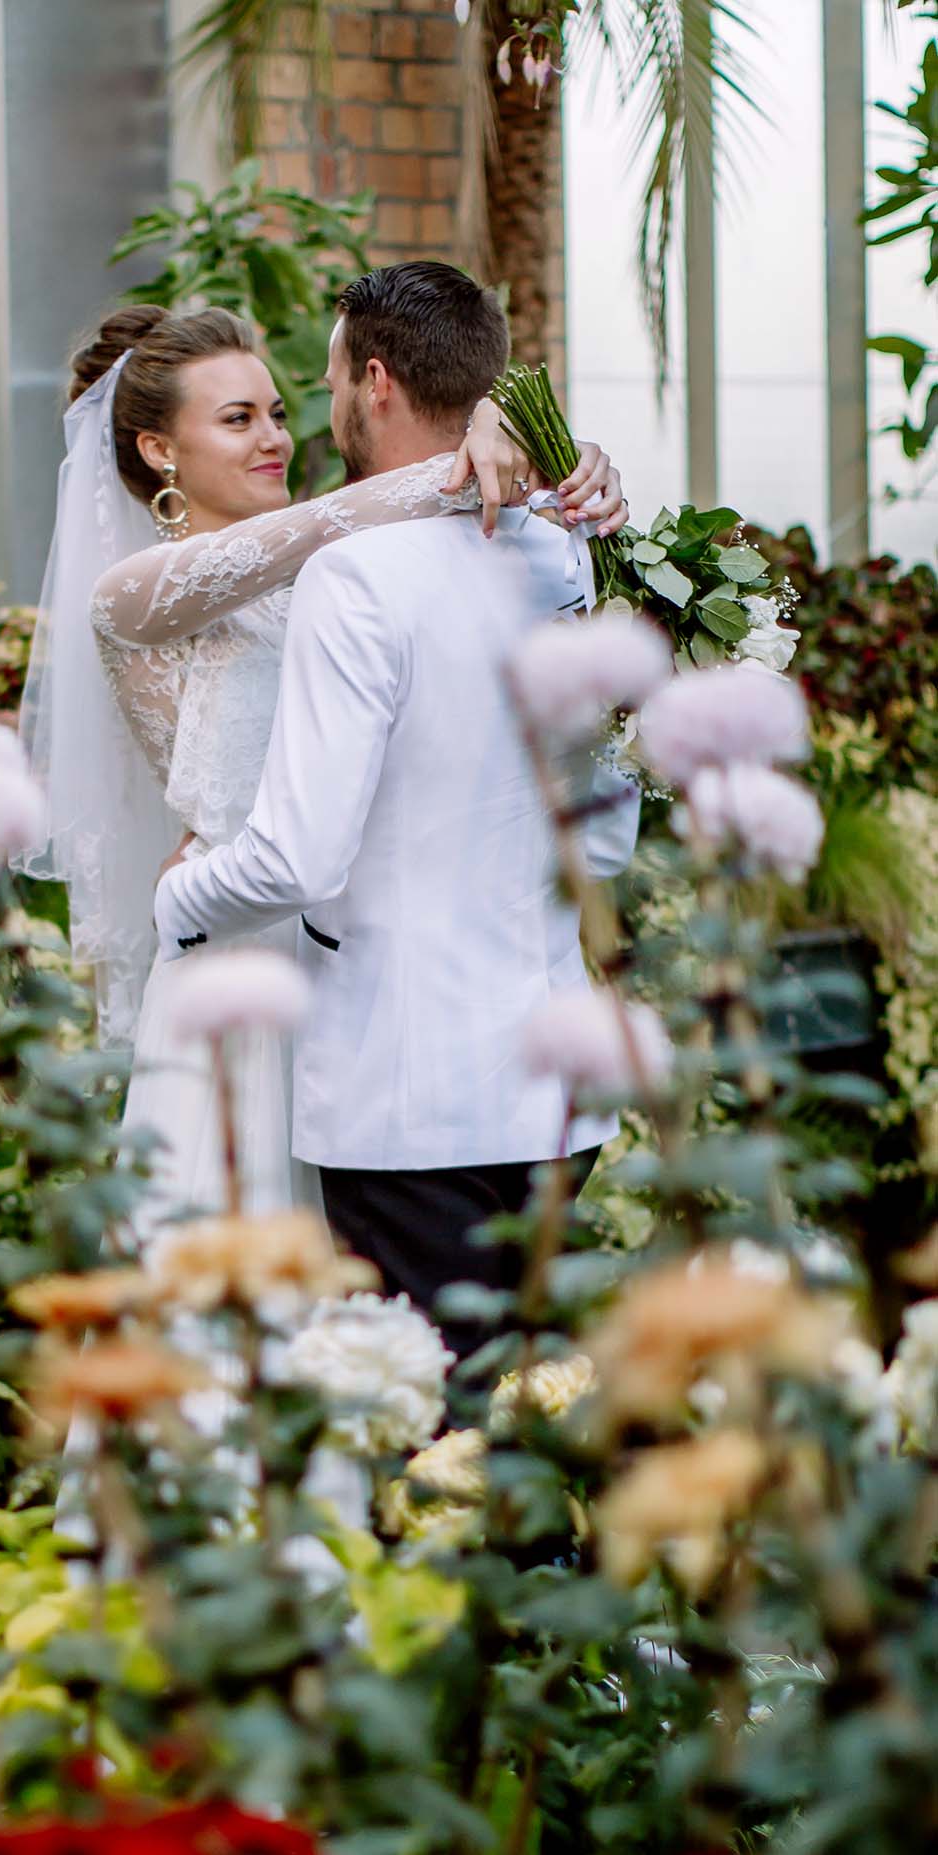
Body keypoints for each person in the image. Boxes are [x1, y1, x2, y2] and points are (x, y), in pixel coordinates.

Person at [19, 287, 628, 1234]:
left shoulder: (351, 560)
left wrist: (534, 451)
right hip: (244, 953)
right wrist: (480, 443)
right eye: (236, 419)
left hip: (358, 967)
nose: (272, 435)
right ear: (157, 451)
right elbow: (327, 527)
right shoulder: (138, 594)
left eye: (274, 410)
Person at [151, 262, 641, 1323]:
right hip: (557, 1093)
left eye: (326, 382)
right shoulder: (568, 553)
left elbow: (296, 859)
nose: (321, 410)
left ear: (375, 381)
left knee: (427, 1445)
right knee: (518, 1427)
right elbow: (604, 844)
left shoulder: (358, 577)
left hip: (410, 1104)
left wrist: (178, 901)